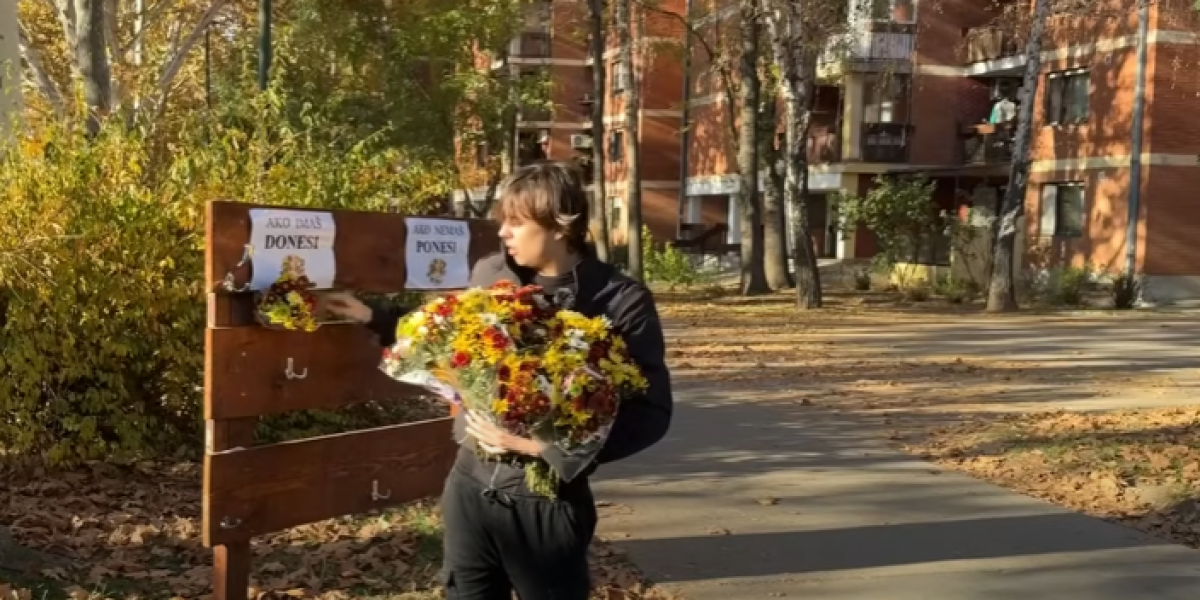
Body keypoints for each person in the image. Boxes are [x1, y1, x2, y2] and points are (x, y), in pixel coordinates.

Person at [323, 161, 674, 600]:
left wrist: (544, 449)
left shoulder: (618, 300)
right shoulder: (492, 275)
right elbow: (447, 340)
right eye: (501, 222)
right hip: (469, 485)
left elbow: (652, 413)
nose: (503, 233)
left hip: (543, 500)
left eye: (515, 222)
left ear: (560, 226)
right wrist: (372, 316)